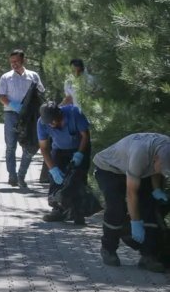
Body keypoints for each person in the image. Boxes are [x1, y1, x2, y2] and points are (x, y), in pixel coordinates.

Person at [93, 133, 170, 272]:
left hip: (139, 169)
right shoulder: (141, 153)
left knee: (151, 206)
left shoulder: (165, 148)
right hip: (110, 169)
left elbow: (156, 170)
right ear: (155, 158)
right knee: (117, 208)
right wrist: (135, 222)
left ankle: (149, 255)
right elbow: (131, 193)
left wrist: (157, 190)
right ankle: (108, 248)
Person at [0, 49, 45, 189]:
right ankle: (12, 175)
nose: (14, 64)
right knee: (11, 146)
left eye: (16, 61)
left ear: (24, 60)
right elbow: (1, 96)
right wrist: (13, 105)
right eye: (11, 62)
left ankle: (21, 176)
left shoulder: (33, 76)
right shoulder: (6, 77)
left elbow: (41, 92)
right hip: (11, 114)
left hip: (29, 116)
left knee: (29, 146)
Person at [37, 101, 91, 224]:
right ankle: (58, 210)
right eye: (48, 123)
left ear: (59, 114)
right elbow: (44, 148)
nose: (51, 124)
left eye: (53, 121)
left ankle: (78, 213)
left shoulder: (74, 113)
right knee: (56, 180)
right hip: (59, 149)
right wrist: (53, 169)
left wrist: (79, 154)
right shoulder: (42, 123)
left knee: (78, 179)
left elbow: (85, 135)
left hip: (79, 147)